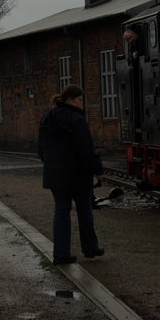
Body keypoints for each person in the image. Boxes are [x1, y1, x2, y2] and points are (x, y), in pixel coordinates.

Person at [36, 85, 104, 265]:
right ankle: (90, 248)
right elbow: (86, 148)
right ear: (71, 99)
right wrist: (97, 170)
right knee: (84, 211)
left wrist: (51, 164)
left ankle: (61, 254)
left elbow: (41, 148)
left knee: (61, 212)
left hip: (56, 175)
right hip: (78, 175)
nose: (81, 103)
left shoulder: (47, 118)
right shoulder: (77, 120)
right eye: (80, 100)